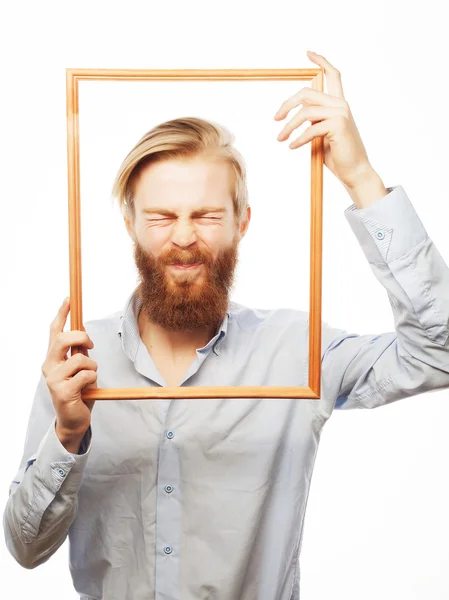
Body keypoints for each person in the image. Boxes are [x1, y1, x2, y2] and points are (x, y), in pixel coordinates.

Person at [3, 51, 449, 600]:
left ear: (242, 223)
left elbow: (439, 354)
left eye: (207, 216)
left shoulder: (297, 351)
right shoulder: (77, 364)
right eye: (162, 217)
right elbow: (25, 550)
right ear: (130, 225)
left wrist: (360, 176)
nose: (184, 237)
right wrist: (68, 435)